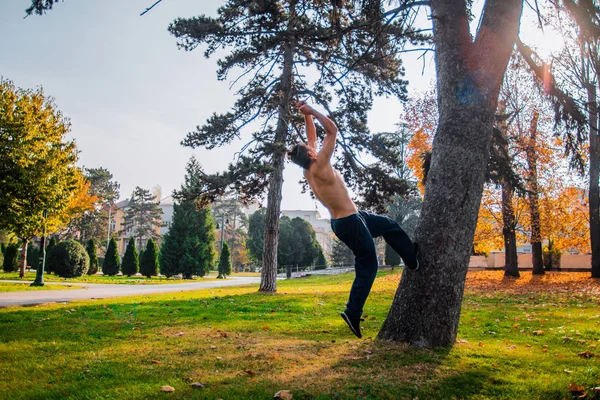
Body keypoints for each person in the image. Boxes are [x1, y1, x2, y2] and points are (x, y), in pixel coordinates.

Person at [287, 101, 420, 338]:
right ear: (309, 154)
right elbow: (332, 130)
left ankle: (411, 258)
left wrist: (306, 114)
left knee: (389, 226)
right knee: (368, 265)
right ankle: (352, 311)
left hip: (350, 219)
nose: (312, 146)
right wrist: (315, 111)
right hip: (350, 222)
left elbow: (312, 139)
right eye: (309, 148)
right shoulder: (320, 164)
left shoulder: (309, 169)